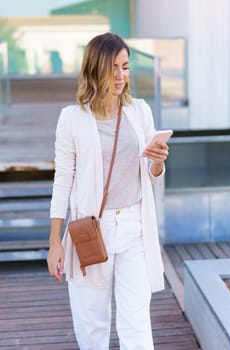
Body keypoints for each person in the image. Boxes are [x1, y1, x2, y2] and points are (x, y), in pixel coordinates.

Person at [47, 32, 169, 350]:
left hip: (135, 228)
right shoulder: (71, 119)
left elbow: (150, 174)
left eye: (125, 67)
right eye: (112, 67)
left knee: (136, 323)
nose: (120, 76)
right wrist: (54, 242)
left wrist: (158, 163)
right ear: (94, 69)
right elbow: (63, 179)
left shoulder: (140, 111)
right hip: (91, 229)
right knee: (92, 326)